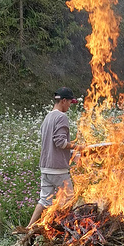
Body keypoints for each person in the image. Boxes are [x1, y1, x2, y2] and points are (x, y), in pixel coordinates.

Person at [28, 87, 80, 227]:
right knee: (69, 199)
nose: (70, 105)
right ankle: (61, 227)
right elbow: (60, 142)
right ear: (63, 101)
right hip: (58, 169)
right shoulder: (61, 117)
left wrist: (71, 155)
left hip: (45, 167)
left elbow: (51, 144)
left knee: (44, 200)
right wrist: (77, 147)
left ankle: (29, 228)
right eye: (69, 102)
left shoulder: (48, 117)